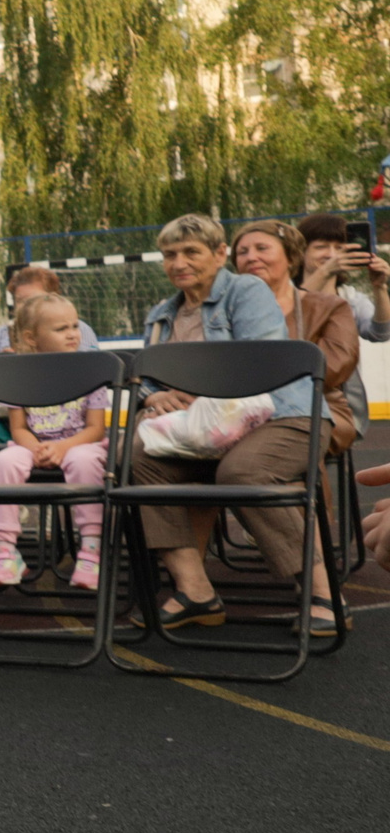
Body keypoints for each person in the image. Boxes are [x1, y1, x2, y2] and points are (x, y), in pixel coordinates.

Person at [127, 214, 331, 635]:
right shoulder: (161, 313)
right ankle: (195, 591)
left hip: (283, 416)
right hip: (208, 432)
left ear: (220, 255)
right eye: (169, 255)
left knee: (242, 471)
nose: (178, 262)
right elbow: (146, 376)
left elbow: (258, 362)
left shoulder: (245, 290)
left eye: (191, 252)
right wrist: (155, 395)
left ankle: (323, 595)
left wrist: (197, 392)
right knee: (140, 458)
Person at [0, 292, 108, 593]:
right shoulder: (20, 375)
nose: (73, 334)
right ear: (31, 337)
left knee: (84, 461)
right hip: (34, 445)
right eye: (61, 329)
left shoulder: (91, 370)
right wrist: (35, 448)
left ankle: (91, 549)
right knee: (1, 462)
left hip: (80, 444)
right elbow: (18, 428)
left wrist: (63, 448)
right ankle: (5, 550)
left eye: (74, 326)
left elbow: (96, 429)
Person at [233, 219, 358, 456]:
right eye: (242, 252)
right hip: (238, 411)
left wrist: (254, 377)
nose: (251, 257)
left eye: (262, 249)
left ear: (291, 258)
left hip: (316, 408)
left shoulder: (329, 307)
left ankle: (294, 492)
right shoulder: (222, 312)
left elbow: (333, 367)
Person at [295, 213, 390, 344]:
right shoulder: (285, 292)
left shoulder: (351, 298)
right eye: (321, 247)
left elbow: (380, 334)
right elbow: (291, 316)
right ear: (301, 252)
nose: (332, 255)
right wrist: (325, 271)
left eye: (339, 248)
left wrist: (380, 287)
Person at [0, 264, 102, 354]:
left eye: (33, 300)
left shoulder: (80, 330)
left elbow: (92, 371)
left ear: (54, 297)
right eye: (19, 301)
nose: (25, 306)